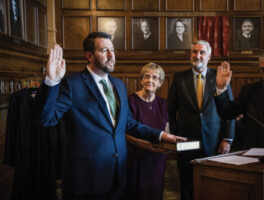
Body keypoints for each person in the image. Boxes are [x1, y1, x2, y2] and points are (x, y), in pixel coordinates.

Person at [37, 32, 185, 200]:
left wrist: (161, 134)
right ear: (89, 56)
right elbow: (46, 118)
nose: (111, 55)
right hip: (86, 180)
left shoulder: (119, 85)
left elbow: (127, 123)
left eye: (112, 50)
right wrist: (51, 81)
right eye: (104, 50)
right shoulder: (72, 84)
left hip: (117, 176)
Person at [168, 40, 235, 200]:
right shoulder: (179, 78)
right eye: (194, 52)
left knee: (212, 184)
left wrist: (228, 139)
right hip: (185, 141)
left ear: (209, 56)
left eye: (202, 52)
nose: (197, 56)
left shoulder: (219, 76)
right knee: (186, 184)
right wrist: (172, 136)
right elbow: (171, 110)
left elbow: (229, 111)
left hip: (214, 140)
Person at [125, 63, 169, 200]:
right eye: (147, 76)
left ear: (160, 83)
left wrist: (167, 147)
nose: (150, 80)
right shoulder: (131, 101)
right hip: (137, 158)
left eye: (155, 77)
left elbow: (166, 130)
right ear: (141, 80)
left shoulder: (163, 104)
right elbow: (126, 134)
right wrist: (149, 147)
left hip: (157, 160)